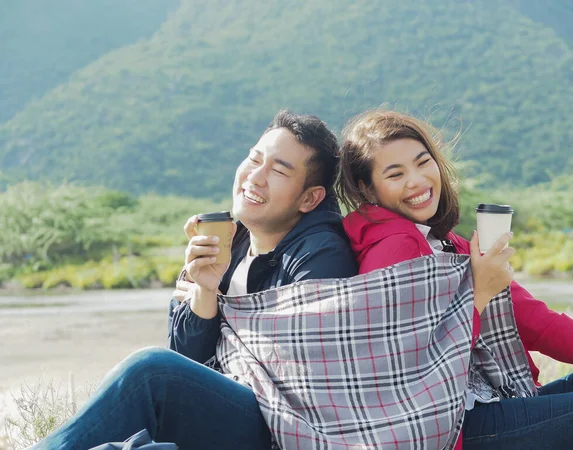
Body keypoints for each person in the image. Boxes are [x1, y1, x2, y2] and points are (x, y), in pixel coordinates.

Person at [33, 110, 357, 450]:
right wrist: (205, 290)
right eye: (254, 159)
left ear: (310, 198)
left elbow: (294, 368)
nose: (256, 177)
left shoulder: (320, 252)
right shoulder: (230, 238)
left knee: (151, 373)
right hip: (226, 414)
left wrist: (222, 316)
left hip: (278, 425)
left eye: (278, 170)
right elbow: (185, 357)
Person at [337, 109, 573, 450]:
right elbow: (412, 369)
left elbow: (538, 323)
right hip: (452, 429)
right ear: (367, 189)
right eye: (395, 174)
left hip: (489, 404)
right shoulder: (393, 251)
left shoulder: (446, 242)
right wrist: (479, 293)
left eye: (422, 162)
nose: (416, 181)